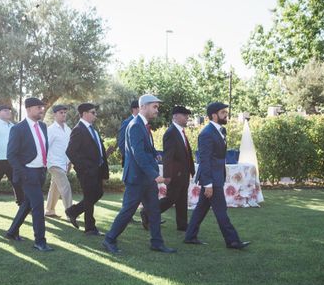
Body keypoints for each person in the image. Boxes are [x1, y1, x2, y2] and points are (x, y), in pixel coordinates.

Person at [103, 94, 176, 254]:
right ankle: (109, 239)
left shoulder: (143, 125)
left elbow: (147, 150)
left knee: (154, 211)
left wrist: (156, 158)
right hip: (137, 178)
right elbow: (138, 154)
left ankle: (157, 242)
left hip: (146, 178)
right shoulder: (135, 125)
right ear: (143, 107)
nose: (157, 110)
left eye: (157, 107)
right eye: (154, 107)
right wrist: (154, 174)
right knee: (128, 210)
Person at [184, 102, 250, 249]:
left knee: (201, 208)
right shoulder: (206, 133)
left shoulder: (220, 130)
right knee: (221, 210)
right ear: (214, 115)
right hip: (211, 179)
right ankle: (233, 241)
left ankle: (190, 236)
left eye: (225, 112)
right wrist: (208, 184)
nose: (226, 114)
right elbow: (204, 160)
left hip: (216, 176)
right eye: (222, 112)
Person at [5, 97, 53, 251]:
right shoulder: (18, 129)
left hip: (40, 172)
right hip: (28, 173)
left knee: (27, 204)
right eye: (39, 107)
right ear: (29, 109)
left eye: (42, 108)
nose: (41, 110)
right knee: (38, 206)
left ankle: (12, 232)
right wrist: (23, 173)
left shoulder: (43, 126)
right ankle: (40, 241)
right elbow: (11, 155)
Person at [146, 105, 195, 232]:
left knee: (182, 199)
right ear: (175, 116)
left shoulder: (180, 132)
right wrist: (167, 175)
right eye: (184, 115)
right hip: (175, 174)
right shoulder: (171, 133)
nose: (186, 118)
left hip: (183, 173)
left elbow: (186, 153)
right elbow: (168, 156)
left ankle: (182, 225)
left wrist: (190, 170)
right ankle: (147, 213)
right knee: (171, 198)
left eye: (187, 116)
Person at [65, 103, 109, 236]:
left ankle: (73, 211)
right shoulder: (78, 129)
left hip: (97, 170)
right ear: (84, 113)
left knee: (98, 193)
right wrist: (84, 168)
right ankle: (90, 228)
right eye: (93, 112)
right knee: (90, 197)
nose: (95, 115)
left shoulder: (92, 129)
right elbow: (70, 152)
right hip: (87, 171)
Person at [0, 104, 24, 206]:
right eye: (5, 110)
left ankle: (22, 204)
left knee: (17, 183)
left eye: (9, 110)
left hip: (12, 160)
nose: (8, 112)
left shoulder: (13, 126)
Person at [45, 104, 73, 218]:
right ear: (54, 115)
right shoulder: (50, 130)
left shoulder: (68, 129)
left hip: (64, 163)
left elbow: (69, 147)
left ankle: (49, 210)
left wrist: (69, 162)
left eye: (64, 113)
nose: (63, 114)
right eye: (61, 113)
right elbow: (45, 147)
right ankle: (71, 213)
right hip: (54, 163)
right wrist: (45, 162)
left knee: (55, 187)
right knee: (65, 187)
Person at [117, 99, 139, 167]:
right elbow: (121, 143)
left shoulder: (142, 122)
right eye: (141, 107)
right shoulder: (127, 122)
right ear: (135, 109)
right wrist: (129, 157)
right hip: (131, 162)